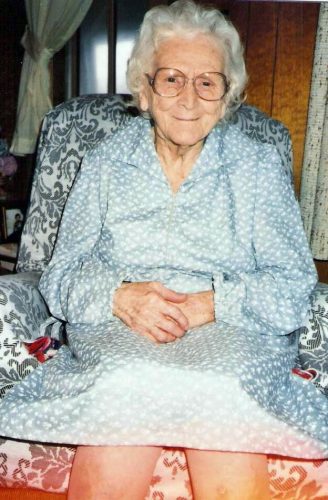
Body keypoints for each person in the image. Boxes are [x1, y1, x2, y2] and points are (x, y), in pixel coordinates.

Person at [0, 1, 327, 499]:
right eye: (172, 78)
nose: (189, 99)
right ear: (146, 90)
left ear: (226, 95)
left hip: (232, 329)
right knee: (128, 380)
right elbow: (60, 274)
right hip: (120, 325)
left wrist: (210, 304)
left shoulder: (258, 166)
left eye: (207, 82)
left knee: (221, 388)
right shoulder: (106, 162)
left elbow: (293, 284)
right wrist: (119, 297)